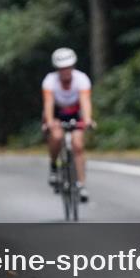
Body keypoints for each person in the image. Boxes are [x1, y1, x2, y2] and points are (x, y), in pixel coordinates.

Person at [42, 48, 93, 202]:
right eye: (62, 68)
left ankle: (81, 185)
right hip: (56, 112)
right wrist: (50, 122)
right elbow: (49, 103)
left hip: (75, 112)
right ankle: (53, 166)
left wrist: (88, 119)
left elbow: (85, 101)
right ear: (57, 69)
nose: (66, 71)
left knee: (78, 144)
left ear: (73, 67)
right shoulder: (50, 81)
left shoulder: (81, 79)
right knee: (56, 136)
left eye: (68, 67)